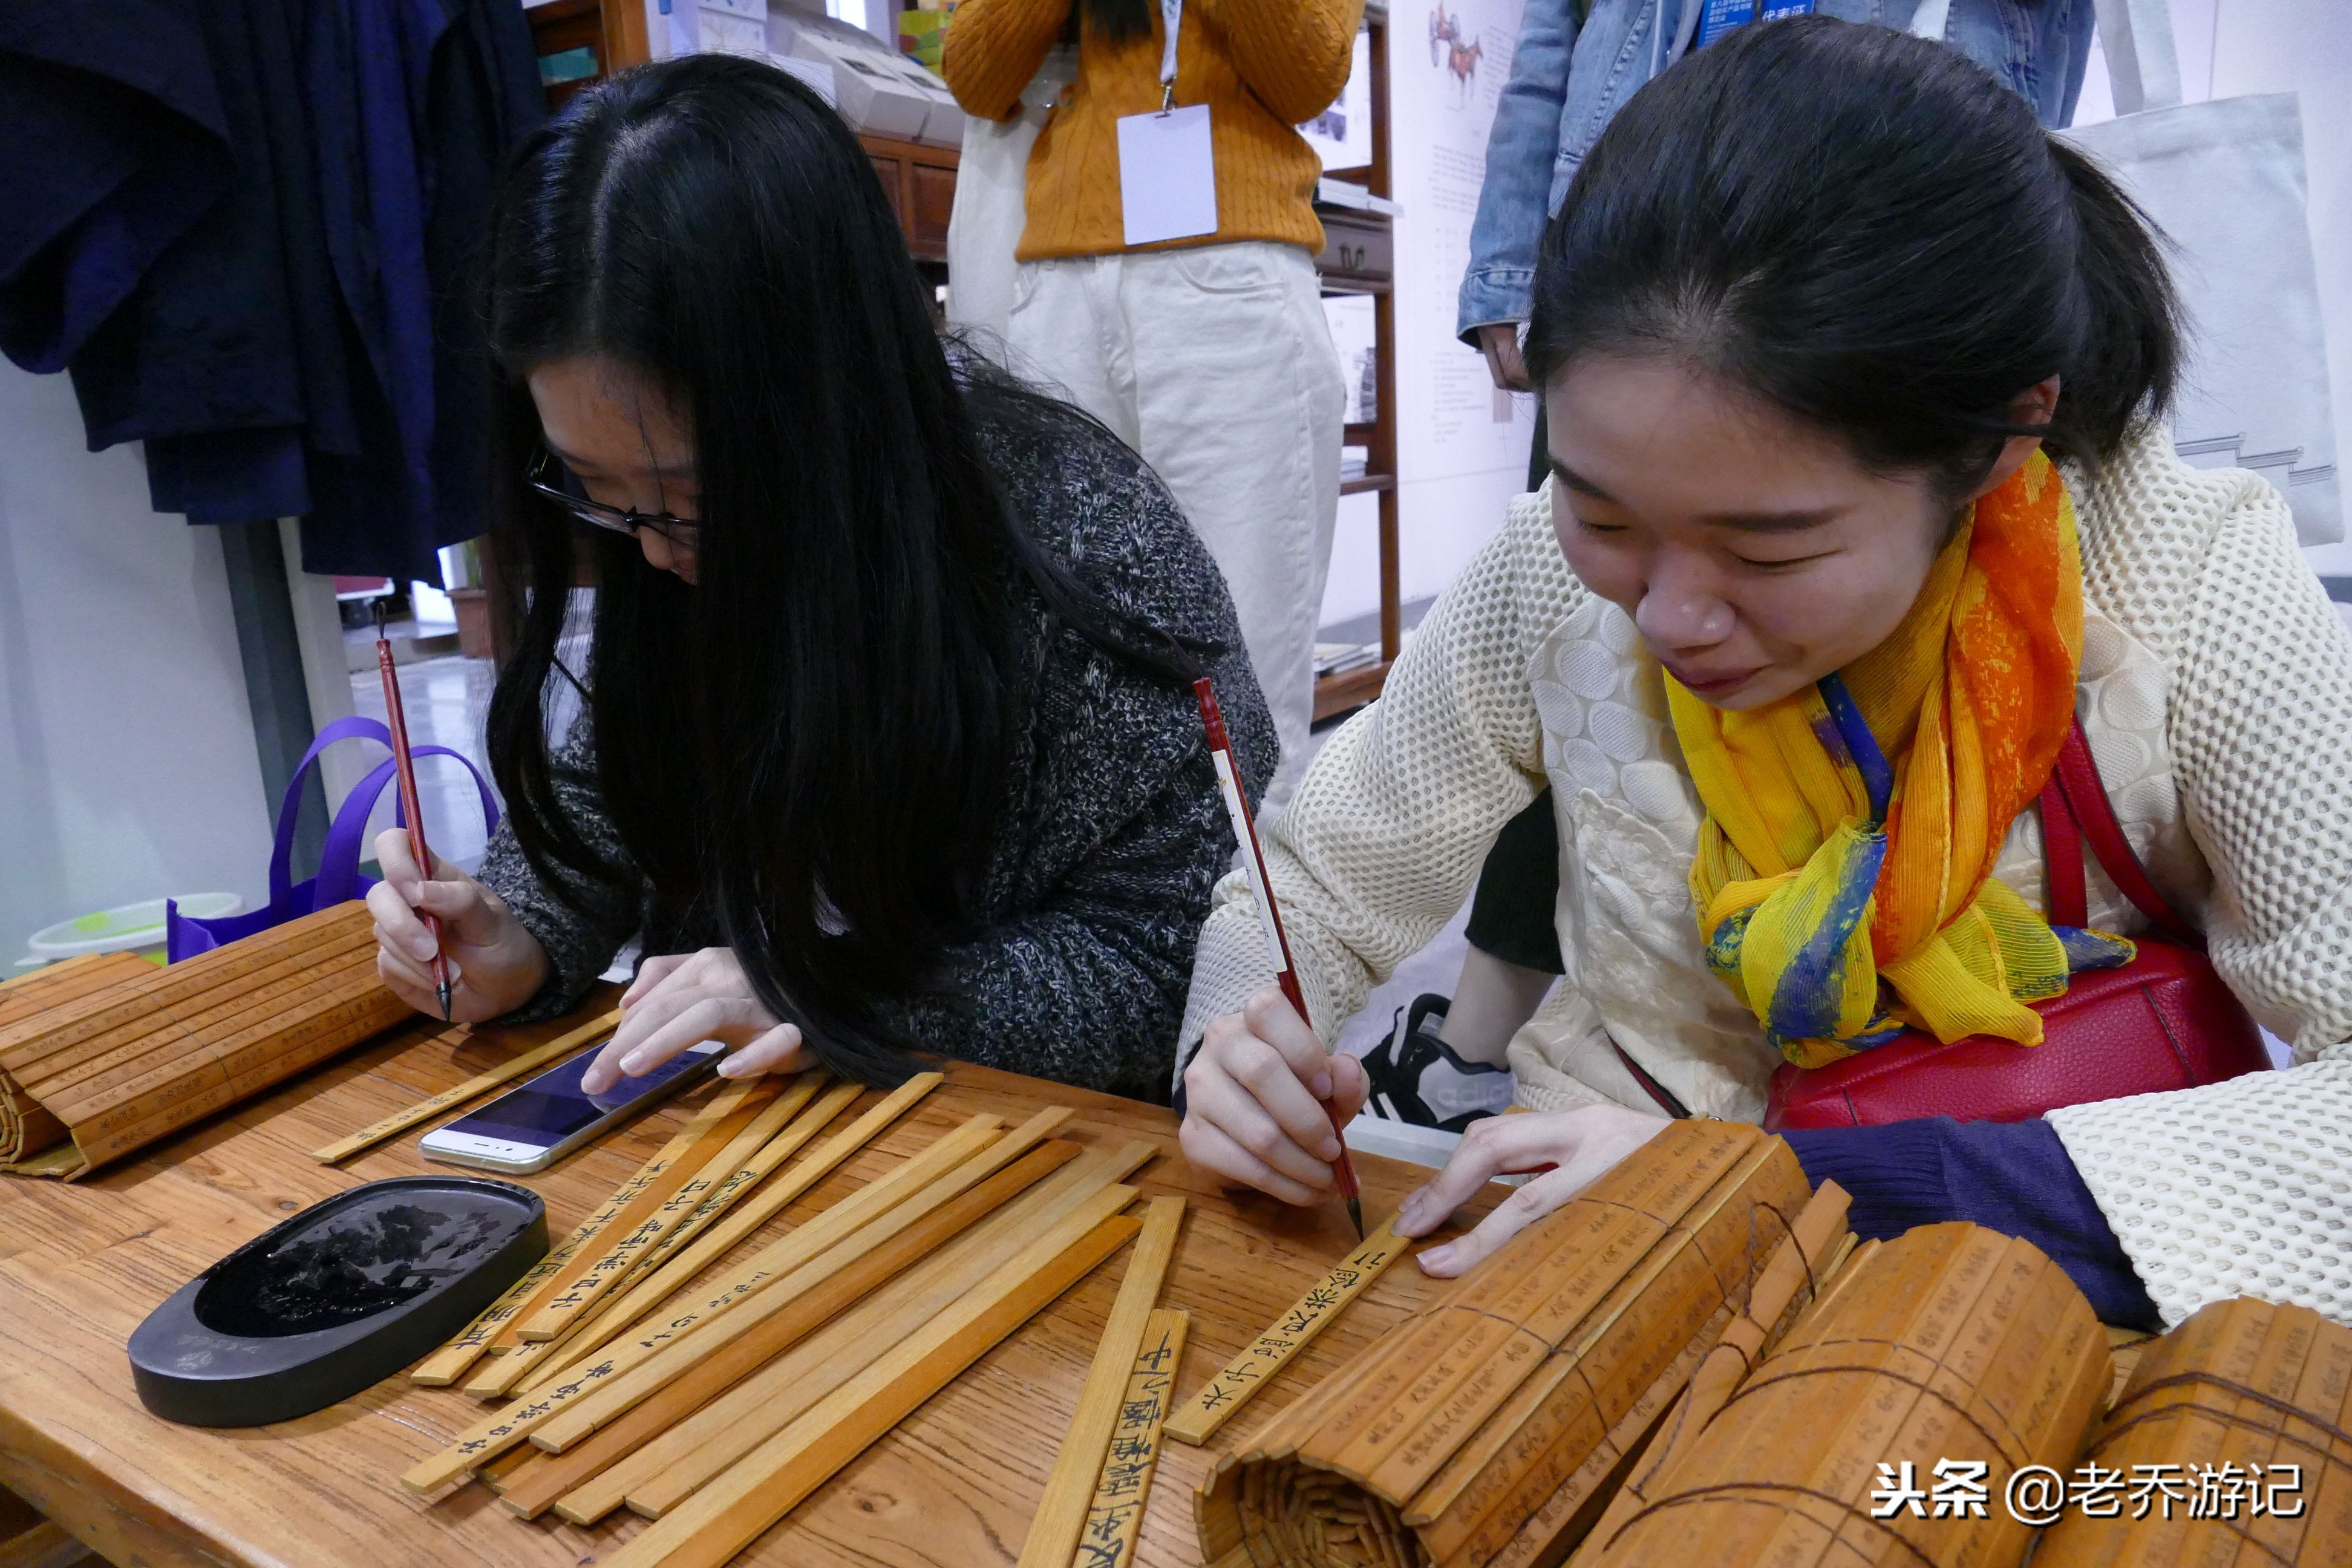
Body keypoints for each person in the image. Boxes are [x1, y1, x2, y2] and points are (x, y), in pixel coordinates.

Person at [1176, 19, 2352, 1326]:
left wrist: (1786, 1184)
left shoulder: (2179, 578)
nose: (1672, 616)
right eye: (1605, 514)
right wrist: (1241, 1040)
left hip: (2012, 1302)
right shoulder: (1543, 578)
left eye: (1769, 548)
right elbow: (1320, 879)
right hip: (1585, 1263)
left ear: (2002, 440)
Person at [365, 54, 1276, 1105]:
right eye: (595, 489)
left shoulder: (1089, 548)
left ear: (832, 401)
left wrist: (835, 998)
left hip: (1026, 1156)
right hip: (744, 1141)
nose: (653, 551)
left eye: (690, 499)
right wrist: (517, 932)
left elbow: (1178, 967)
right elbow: (620, 783)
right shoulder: (659, 524)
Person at [942, 0, 1354, 815]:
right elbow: (976, 75)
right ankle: (1106, 933)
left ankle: (1254, 937)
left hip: (1230, 280)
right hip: (1057, 289)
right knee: (1060, 663)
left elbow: (1308, 72)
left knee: (1246, 667)